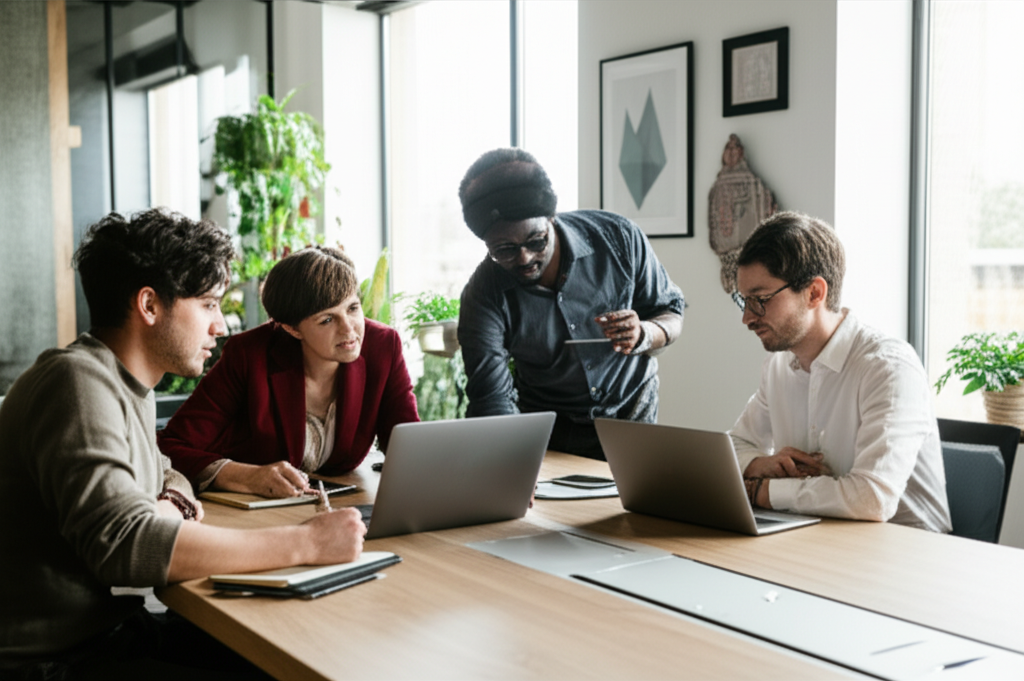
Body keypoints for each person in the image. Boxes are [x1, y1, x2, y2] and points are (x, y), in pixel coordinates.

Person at [0, 209, 366, 678]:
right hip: (56, 660)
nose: (220, 326)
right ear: (150, 306)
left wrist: (168, 501)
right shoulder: (76, 382)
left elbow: (168, 471)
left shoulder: (127, 384)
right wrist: (305, 542)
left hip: (111, 633)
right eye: (209, 304)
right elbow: (126, 544)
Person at [728, 211, 951, 532]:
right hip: (818, 536)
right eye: (744, 300)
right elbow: (733, 447)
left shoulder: (887, 367)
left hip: (908, 552)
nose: (747, 318)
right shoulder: (778, 365)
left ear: (814, 293)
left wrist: (763, 490)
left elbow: (873, 498)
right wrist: (759, 464)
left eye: (760, 300)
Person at [457, 148, 685, 459]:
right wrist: (505, 467)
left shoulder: (617, 238)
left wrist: (643, 333)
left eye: (536, 241)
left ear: (551, 218)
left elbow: (670, 313)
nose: (524, 258)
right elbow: (491, 397)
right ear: (486, 243)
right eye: (504, 250)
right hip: (552, 436)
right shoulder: (483, 295)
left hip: (634, 418)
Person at [159, 246, 419, 497]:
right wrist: (246, 476)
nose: (349, 329)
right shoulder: (249, 355)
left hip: (341, 505)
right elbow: (169, 447)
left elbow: (410, 446)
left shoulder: (384, 347)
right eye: (327, 319)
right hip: (250, 512)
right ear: (292, 329)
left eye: (352, 308)